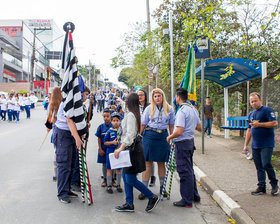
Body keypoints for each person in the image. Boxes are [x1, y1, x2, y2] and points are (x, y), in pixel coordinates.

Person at [114, 93, 159, 213]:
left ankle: (152, 196)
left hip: (132, 150)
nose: (125, 101)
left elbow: (130, 135)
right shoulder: (132, 113)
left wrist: (120, 148)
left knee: (130, 179)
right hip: (129, 150)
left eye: (126, 100)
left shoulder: (131, 116)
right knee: (125, 176)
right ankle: (129, 204)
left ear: (130, 102)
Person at [166, 88, 202, 207]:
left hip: (182, 143)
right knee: (190, 170)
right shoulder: (193, 109)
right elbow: (199, 127)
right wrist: (190, 126)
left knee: (184, 171)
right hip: (190, 142)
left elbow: (179, 131)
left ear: (178, 97)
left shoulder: (182, 111)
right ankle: (195, 196)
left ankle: (186, 200)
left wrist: (170, 137)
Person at [139, 88, 175, 199]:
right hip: (149, 135)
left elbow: (171, 125)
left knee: (161, 163)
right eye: (155, 96)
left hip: (163, 137)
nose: (157, 98)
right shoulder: (149, 109)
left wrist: (172, 138)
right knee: (147, 163)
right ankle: (144, 190)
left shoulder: (169, 109)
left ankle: (162, 188)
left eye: (159, 96)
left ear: (162, 96)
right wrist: (139, 137)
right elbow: (143, 124)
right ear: (152, 98)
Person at [243, 92, 279, 196]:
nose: (254, 103)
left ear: (260, 100)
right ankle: (261, 187)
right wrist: (246, 145)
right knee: (258, 166)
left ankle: (274, 185)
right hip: (255, 144)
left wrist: (260, 124)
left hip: (267, 143)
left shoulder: (267, 110)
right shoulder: (251, 114)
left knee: (266, 163)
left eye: (255, 101)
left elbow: (274, 123)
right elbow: (249, 130)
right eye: (252, 101)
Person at [137, 89, 156, 187]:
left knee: (149, 157)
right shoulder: (135, 106)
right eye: (138, 95)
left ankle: (152, 177)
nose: (140, 97)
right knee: (140, 156)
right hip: (138, 132)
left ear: (145, 96)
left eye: (142, 95)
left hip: (148, 132)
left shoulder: (150, 106)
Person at [45, 87, 63, 182]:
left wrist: (49, 127)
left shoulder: (50, 105)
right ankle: (60, 173)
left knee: (56, 152)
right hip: (62, 129)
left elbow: (49, 119)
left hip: (55, 130)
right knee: (61, 152)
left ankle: (55, 174)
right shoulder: (62, 104)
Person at [104, 112, 123, 193]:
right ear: (111, 122)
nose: (115, 122)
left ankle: (118, 184)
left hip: (119, 152)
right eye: (114, 120)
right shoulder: (109, 132)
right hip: (110, 151)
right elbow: (105, 142)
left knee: (119, 169)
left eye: (117, 120)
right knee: (109, 169)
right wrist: (112, 143)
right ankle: (109, 185)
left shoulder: (122, 131)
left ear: (120, 121)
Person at [96, 109, 112, 187]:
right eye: (104, 116)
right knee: (104, 165)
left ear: (110, 116)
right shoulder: (101, 127)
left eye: (108, 116)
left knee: (113, 165)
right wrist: (100, 149)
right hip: (103, 149)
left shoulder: (114, 126)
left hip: (112, 149)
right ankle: (105, 179)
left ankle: (112, 180)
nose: (106, 118)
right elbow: (99, 138)